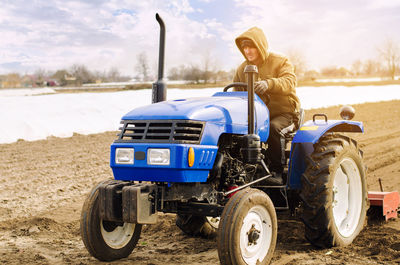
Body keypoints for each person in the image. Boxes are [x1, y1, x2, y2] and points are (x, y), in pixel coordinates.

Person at [233, 27, 301, 185]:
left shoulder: (280, 61)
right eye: (245, 47)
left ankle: (277, 171)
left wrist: (269, 84)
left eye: (252, 46)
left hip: (284, 113)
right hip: (256, 115)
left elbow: (290, 82)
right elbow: (237, 95)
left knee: (273, 128)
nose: (248, 51)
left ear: (261, 45)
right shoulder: (241, 69)